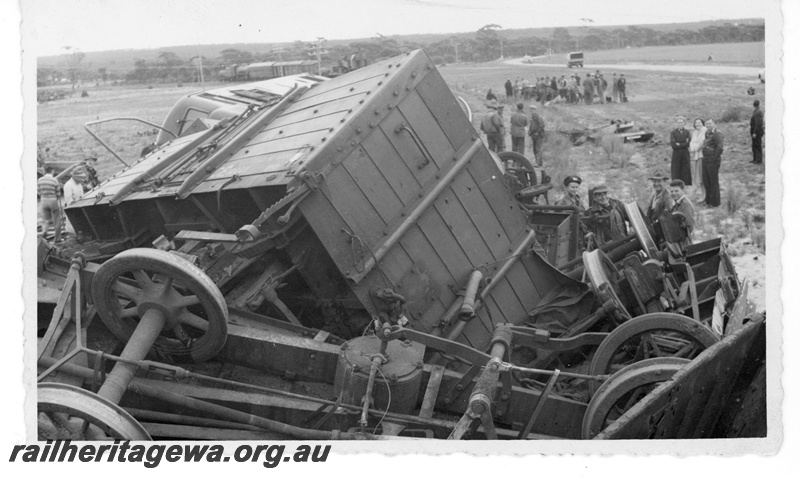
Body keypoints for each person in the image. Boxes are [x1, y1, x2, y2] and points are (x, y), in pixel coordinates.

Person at [701, 118, 723, 207]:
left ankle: (714, 203)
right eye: (706, 124)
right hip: (705, 159)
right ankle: (708, 200)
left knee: (713, 181)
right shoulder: (707, 132)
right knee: (706, 181)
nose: (708, 125)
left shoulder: (717, 133)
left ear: (714, 123)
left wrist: (714, 158)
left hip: (712, 160)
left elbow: (720, 147)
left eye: (710, 123)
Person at [37, 167, 62, 242]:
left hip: (43, 200)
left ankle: (44, 232)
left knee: (45, 219)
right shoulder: (54, 180)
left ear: (45, 171)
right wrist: (56, 197)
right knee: (57, 219)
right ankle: (57, 239)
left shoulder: (40, 180)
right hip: (53, 200)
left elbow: (38, 192)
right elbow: (58, 193)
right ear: (52, 171)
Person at [669, 179, 695, 245]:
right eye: (671, 191)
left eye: (676, 191)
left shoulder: (686, 205)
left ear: (683, 190)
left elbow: (690, 226)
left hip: (684, 242)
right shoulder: (676, 204)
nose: (674, 193)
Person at [670, 117, 692, 185]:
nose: (680, 124)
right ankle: (676, 184)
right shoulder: (673, 133)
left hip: (685, 153)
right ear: (676, 123)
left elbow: (688, 143)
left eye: (681, 122)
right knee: (676, 169)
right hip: (676, 154)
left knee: (686, 169)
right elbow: (673, 145)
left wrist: (679, 144)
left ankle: (686, 185)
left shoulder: (687, 132)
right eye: (678, 122)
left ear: (684, 123)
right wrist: (683, 144)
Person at [688, 118, 707, 200]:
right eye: (696, 123)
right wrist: (694, 148)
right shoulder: (695, 132)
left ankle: (705, 195)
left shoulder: (705, 130)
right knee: (698, 176)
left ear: (703, 123)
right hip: (696, 156)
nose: (697, 124)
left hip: (702, 156)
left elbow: (702, 143)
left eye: (699, 123)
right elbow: (691, 143)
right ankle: (702, 194)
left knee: (702, 176)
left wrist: (695, 148)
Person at [750, 99, 764, 164]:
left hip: (757, 132)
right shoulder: (757, 111)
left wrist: (755, 133)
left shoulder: (757, 112)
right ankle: (755, 159)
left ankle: (758, 160)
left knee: (757, 145)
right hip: (755, 131)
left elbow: (758, 124)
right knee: (754, 145)